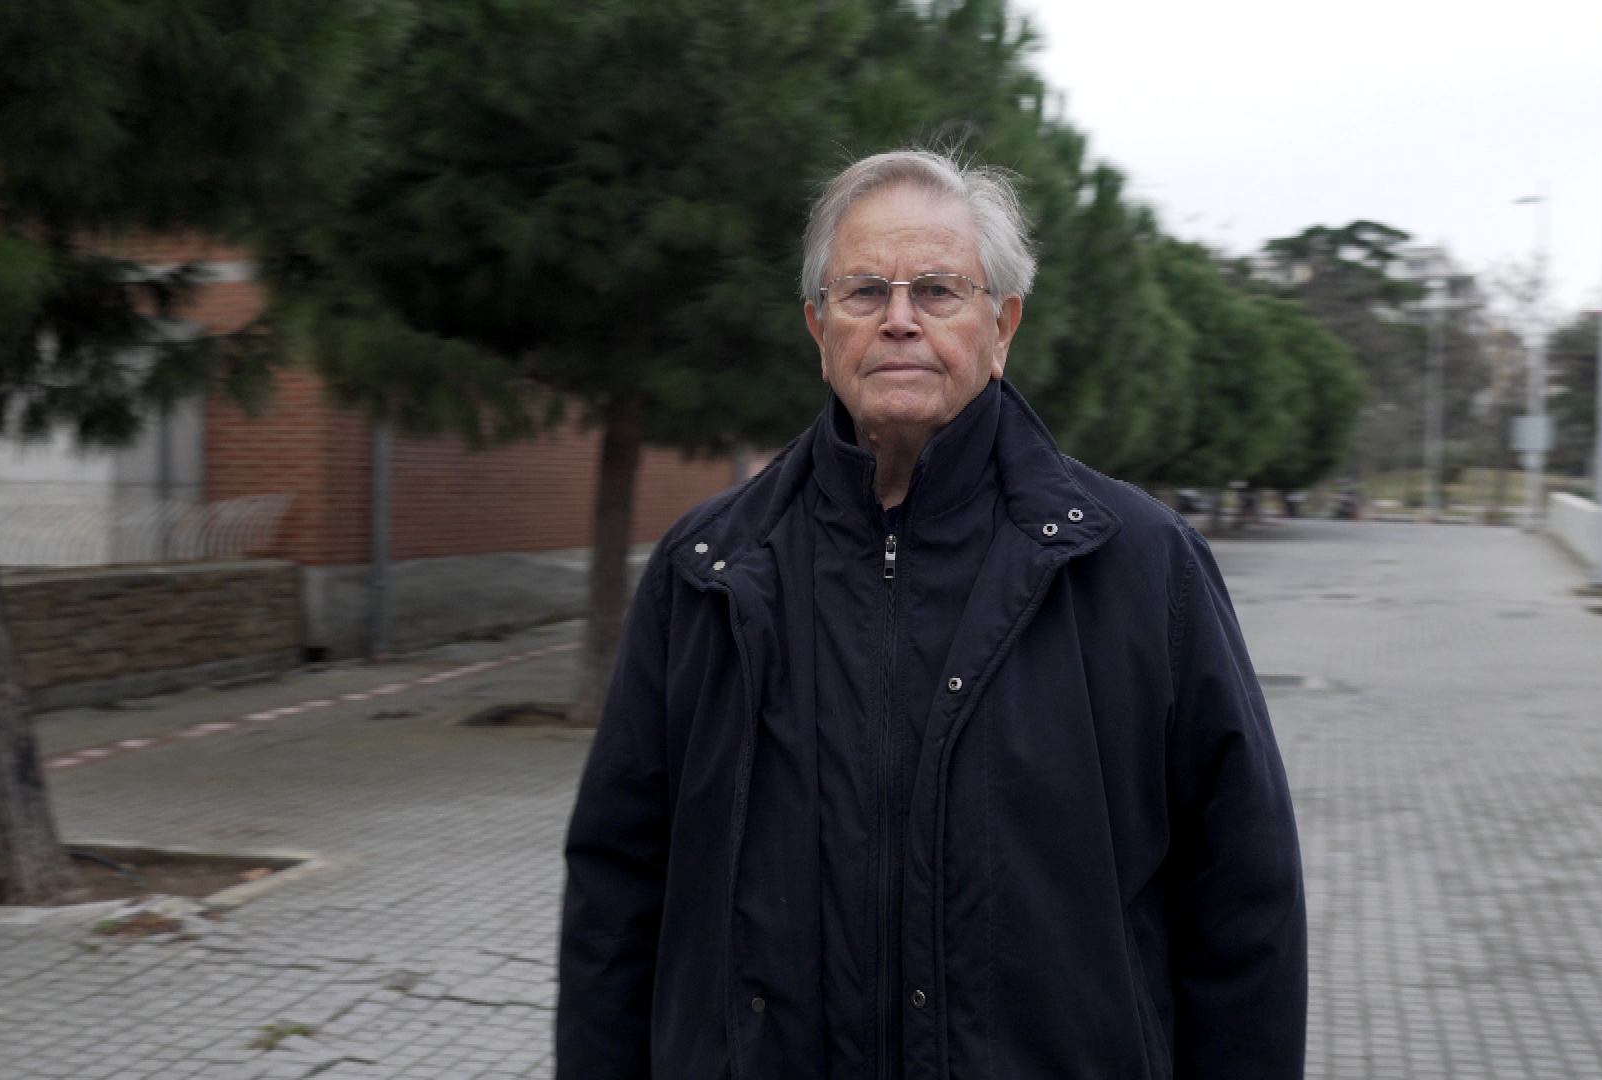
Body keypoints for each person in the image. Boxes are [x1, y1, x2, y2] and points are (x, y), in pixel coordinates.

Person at [558, 150, 1307, 1079]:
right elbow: (616, 896)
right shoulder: (706, 571)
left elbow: (1243, 902)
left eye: (940, 290)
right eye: (864, 290)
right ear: (818, 328)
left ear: (1002, 327)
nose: (900, 319)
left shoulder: (1141, 565)